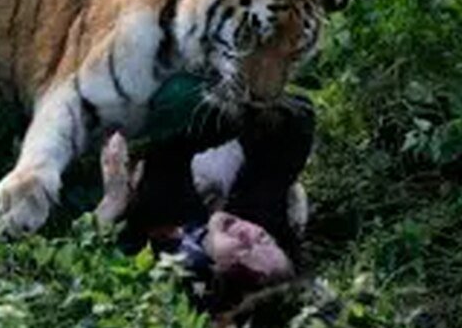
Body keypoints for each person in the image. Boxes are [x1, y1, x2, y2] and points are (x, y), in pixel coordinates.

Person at [94, 92, 317, 316]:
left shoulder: (168, 261)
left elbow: (89, 255)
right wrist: (243, 108)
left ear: (216, 276)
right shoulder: (261, 215)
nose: (246, 234)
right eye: (263, 238)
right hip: (219, 137)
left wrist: (112, 201)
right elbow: (300, 115)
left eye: (242, 252)